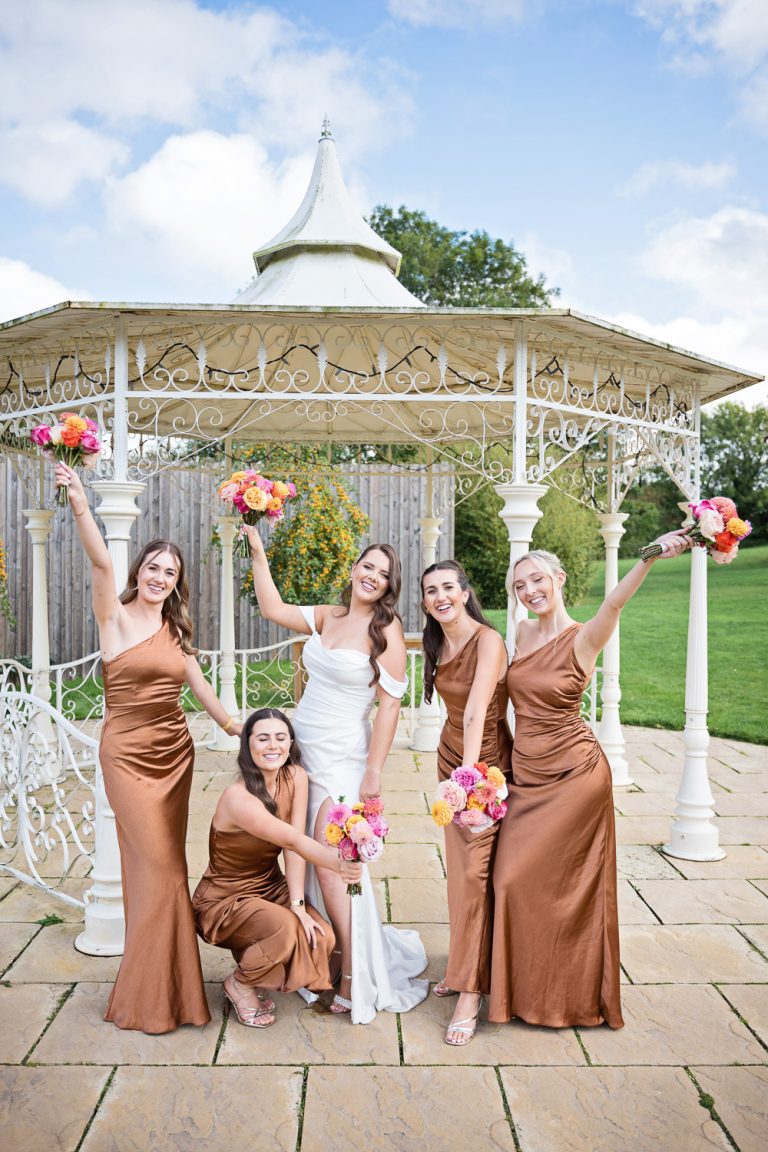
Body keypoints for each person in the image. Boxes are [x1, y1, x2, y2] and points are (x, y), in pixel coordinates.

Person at [56, 461, 243, 1034]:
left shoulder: (177, 631)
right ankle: (152, 995)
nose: (161, 577)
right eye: (154, 568)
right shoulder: (112, 616)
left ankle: (172, 988)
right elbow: (99, 559)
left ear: (178, 582)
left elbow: (201, 688)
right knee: (159, 869)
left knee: (164, 868)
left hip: (174, 755)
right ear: (140, 572)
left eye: (171, 571)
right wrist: (80, 500)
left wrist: (238, 728)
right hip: (127, 754)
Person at [489, 531, 691, 1030]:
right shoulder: (520, 634)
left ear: (559, 579)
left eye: (538, 579)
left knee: (567, 888)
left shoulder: (585, 635)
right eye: (520, 585)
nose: (530, 590)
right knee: (512, 880)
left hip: (575, 775)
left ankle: (567, 998)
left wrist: (648, 555)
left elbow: (616, 603)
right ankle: (519, 991)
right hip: (527, 777)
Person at [245, 528, 428, 1023]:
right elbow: (272, 608)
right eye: (367, 566)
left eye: (383, 574)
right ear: (353, 570)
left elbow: (389, 708)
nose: (372, 576)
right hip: (301, 747)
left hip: (345, 755)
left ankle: (354, 975)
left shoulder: (385, 632)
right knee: (301, 852)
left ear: (389, 586)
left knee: (332, 863)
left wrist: (373, 774)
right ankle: (324, 959)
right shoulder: (328, 615)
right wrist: (259, 552)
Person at [193, 708, 363, 1027]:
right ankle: (240, 983)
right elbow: (293, 840)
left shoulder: (295, 776)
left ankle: (261, 966)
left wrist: (298, 905)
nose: (273, 746)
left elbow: (293, 845)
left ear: (291, 742)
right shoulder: (238, 798)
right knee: (285, 930)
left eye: (281, 737)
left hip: (270, 886)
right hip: (225, 898)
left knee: (320, 935)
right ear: (247, 745)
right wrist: (341, 864)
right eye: (263, 738)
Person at [421, 560, 512, 1046]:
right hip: (451, 759)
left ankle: (472, 992)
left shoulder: (488, 640)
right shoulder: (439, 640)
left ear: (465, 592)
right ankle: (461, 968)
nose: (440, 597)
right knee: (459, 875)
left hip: (485, 768)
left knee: (477, 876)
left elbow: (477, 709)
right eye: (431, 590)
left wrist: (470, 780)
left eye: (448, 588)